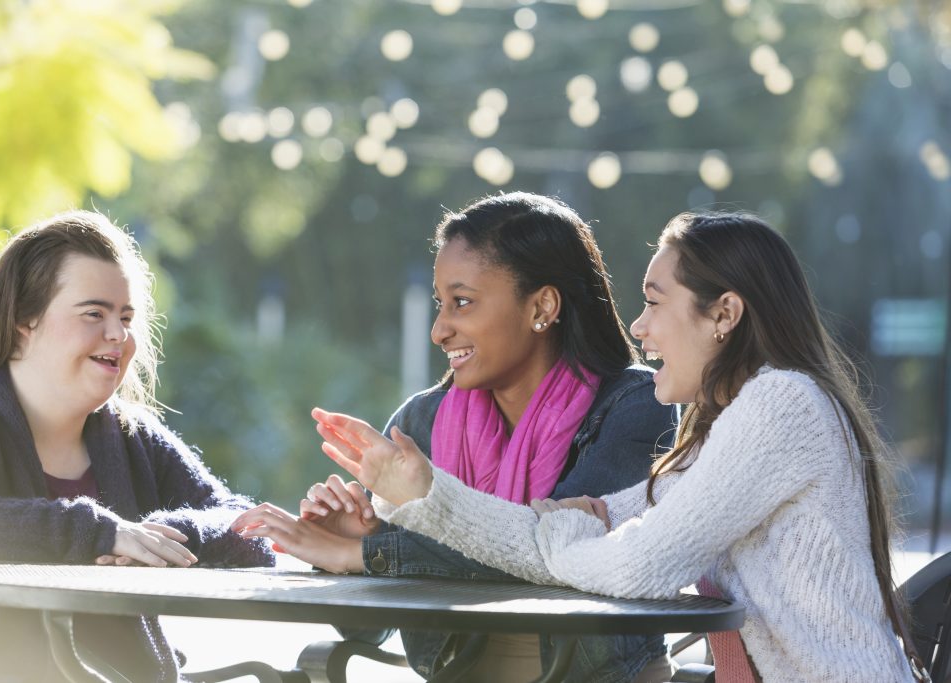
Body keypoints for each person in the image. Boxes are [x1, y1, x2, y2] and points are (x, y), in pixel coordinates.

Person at [310, 211, 924, 683]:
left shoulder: (780, 405)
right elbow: (542, 539)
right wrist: (422, 494)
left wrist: (573, 529)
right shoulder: (727, 428)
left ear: (724, 315)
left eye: (656, 302)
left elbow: (636, 567)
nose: (639, 326)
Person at [232, 192, 678, 682]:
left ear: (543, 306)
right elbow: (363, 631)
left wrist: (369, 556)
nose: (439, 330)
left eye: (462, 303)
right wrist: (354, 550)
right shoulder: (420, 422)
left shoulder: (634, 405)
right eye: (440, 304)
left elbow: (560, 554)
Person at [0, 210, 274, 683]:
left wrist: (161, 538)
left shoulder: (134, 438)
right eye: (95, 313)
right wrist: (94, 531)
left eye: (126, 317)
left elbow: (251, 525)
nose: (119, 335)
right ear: (22, 322)